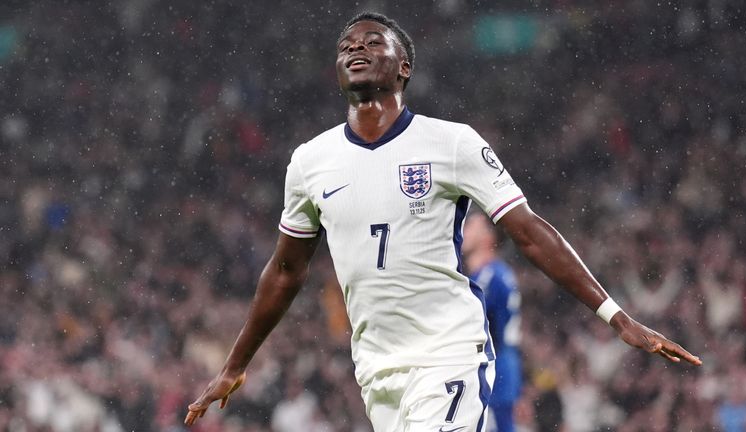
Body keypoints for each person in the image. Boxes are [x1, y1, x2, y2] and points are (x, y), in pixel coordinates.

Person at [184, 11, 701, 431]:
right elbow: (285, 271)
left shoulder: (451, 143)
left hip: (448, 351)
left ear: (404, 66)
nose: (355, 49)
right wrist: (235, 364)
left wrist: (617, 317)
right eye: (346, 47)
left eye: (372, 42)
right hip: (376, 368)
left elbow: (528, 231)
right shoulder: (310, 162)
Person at [462, 213, 523, 432]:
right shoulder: (491, 275)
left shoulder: (490, 278)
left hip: (493, 370)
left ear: (489, 237)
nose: (463, 229)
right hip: (500, 367)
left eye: (470, 225)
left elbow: (481, 329)